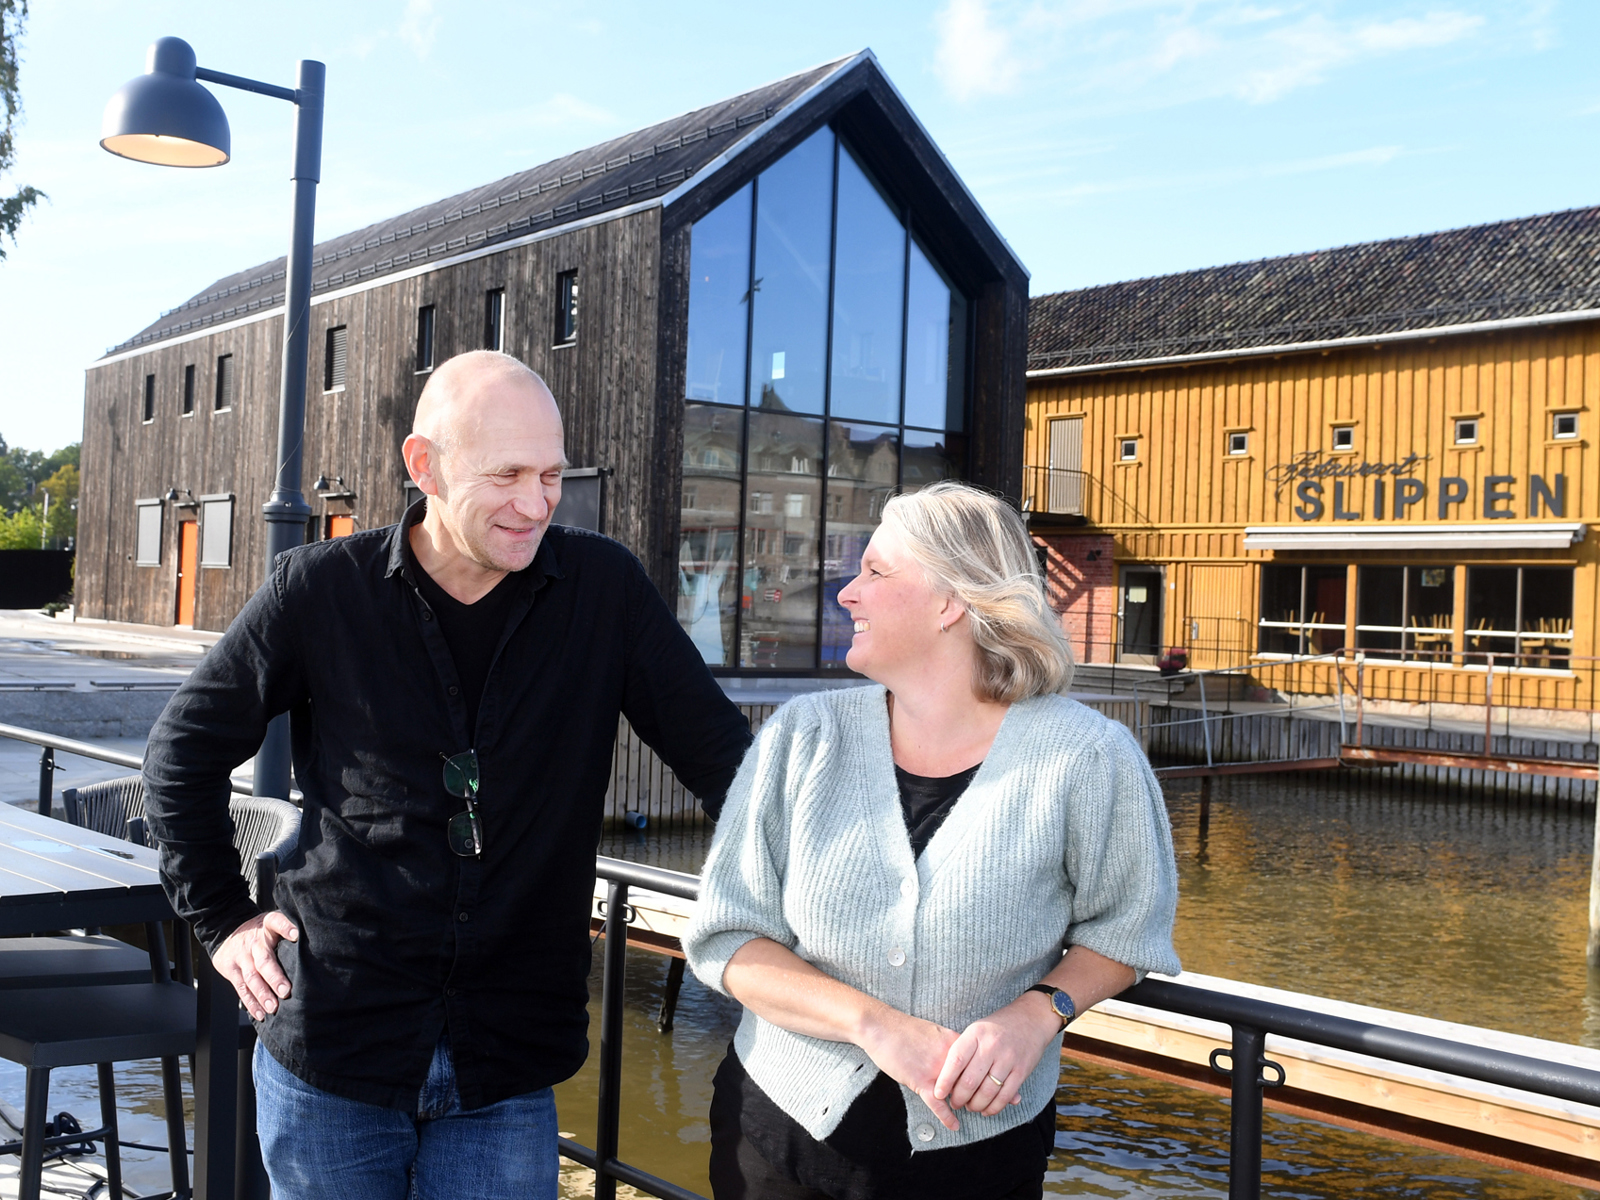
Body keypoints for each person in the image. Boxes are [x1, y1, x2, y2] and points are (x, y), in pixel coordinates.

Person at [142, 350, 753, 1200]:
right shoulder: (319, 590)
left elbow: (732, 765)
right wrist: (223, 920)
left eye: (551, 474)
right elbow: (181, 752)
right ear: (423, 465)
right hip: (335, 1041)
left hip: (504, 1061)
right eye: (506, 474)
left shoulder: (602, 591)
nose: (537, 502)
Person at [683, 481, 1180, 1200]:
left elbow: (1131, 929)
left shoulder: (1087, 758)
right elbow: (727, 936)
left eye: (876, 573)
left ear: (952, 603)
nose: (846, 594)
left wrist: (1039, 1013)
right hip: (776, 1138)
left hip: (980, 1158)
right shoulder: (802, 739)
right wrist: (874, 1025)